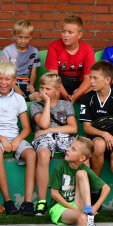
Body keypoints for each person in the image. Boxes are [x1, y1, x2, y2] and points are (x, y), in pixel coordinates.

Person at [46, 136, 106, 226]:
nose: (68, 150)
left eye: (73, 149)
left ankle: (89, 214)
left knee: (82, 174)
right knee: (81, 218)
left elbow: (106, 189)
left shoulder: (83, 168)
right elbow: (54, 193)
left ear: (82, 158)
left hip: (77, 205)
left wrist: (93, 207)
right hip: (59, 207)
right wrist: (76, 211)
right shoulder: (60, 166)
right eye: (70, 147)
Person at [0, 60, 38, 215]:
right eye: (0, 78)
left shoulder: (19, 99)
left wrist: (17, 140)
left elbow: (26, 128)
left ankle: (28, 202)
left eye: (7, 79)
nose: (3, 82)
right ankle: (8, 201)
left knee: (32, 154)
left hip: (15, 137)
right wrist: (2, 140)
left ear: (14, 81)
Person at [80, 60, 113, 217]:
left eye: (95, 78)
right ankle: (95, 189)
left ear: (108, 80)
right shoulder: (88, 98)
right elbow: (87, 128)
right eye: (91, 77)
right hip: (98, 138)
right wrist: (104, 134)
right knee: (99, 144)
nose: (91, 81)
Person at [28, 72, 78, 216]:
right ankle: (42, 201)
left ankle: (80, 199)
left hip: (63, 136)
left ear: (58, 91)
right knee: (43, 154)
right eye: (41, 88)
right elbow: (43, 123)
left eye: (48, 89)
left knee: (81, 153)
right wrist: (47, 102)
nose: (43, 92)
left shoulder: (66, 104)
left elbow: (73, 128)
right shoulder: (36, 105)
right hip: (44, 138)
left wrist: (50, 129)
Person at [45, 15, 95, 103]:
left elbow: (88, 79)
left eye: (70, 32)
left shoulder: (88, 50)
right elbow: (53, 77)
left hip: (79, 84)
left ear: (79, 34)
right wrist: (66, 96)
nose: (66, 35)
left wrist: (75, 96)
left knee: (90, 93)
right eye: (63, 31)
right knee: (53, 94)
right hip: (59, 83)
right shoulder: (54, 47)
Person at [0, 20, 41, 98]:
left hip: (26, 84)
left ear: (31, 36)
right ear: (15, 35)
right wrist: (15, 87)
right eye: (20, 37)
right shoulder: (8, 51)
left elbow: (33, 72)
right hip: (9, 83)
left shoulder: (34, 51)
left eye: (26, 38)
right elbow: (3, 72)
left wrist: (31, 85)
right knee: (17, 97)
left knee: (38, 97)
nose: (23, 41)